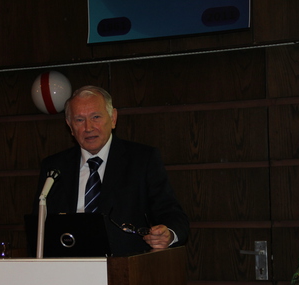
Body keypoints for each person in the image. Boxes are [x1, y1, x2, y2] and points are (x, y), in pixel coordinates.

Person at [32, 85, 189, 256]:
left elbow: (171, 213)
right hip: (67, 265)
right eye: (79, 120)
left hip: (125, 265)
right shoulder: (55, 167)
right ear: (70, 126)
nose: (88, 127)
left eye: (96, 117)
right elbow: (38, 227)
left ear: (113, 118)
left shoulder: (142, 160)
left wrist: (168, 234)